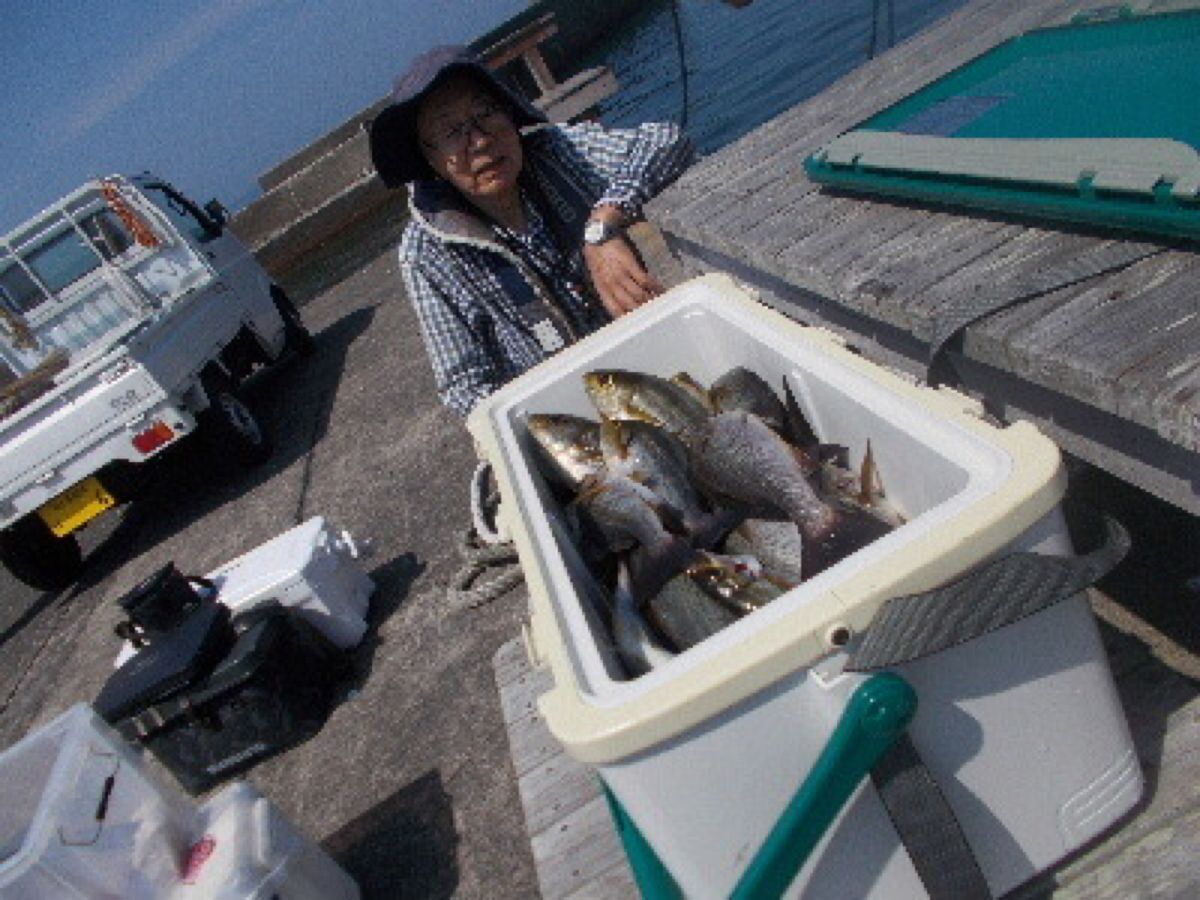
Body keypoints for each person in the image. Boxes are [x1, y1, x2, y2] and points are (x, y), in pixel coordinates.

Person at [369, 45, 695, 418]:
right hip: (570, 415)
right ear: (430, 158)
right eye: (451, 131)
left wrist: (602, 226)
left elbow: (666, 140)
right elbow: (463, 385)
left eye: (486, 113)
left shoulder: (556, 151)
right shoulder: (424, 252)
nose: (479, 140)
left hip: (657, 363)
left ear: (510, 114)